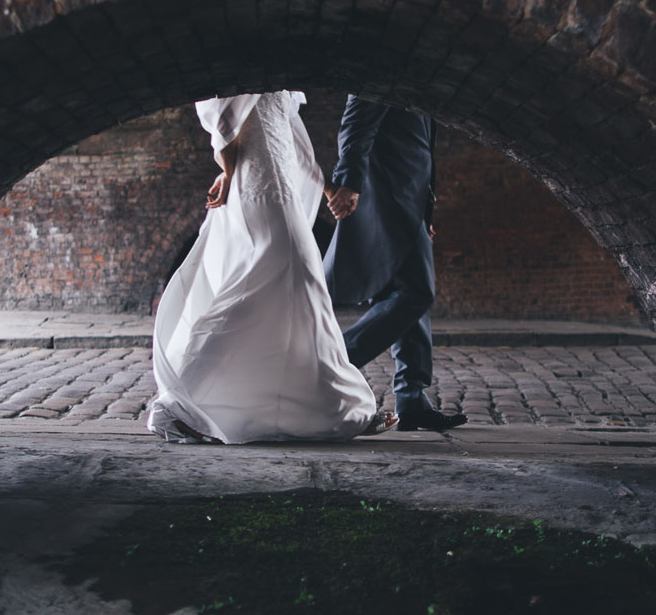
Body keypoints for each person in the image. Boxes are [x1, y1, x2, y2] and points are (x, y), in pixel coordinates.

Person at [147, 92, 395, 444]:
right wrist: (228, 171)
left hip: (282, 185)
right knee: (276, 282)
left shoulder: (276, 69)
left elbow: (292, 135)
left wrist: (326, 188)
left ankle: (336, 409)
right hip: (257, 183)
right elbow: (222, 116)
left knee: (291, 289)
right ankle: (177, 405)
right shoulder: (244, 57)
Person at [322, 95, 468, 432]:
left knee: (406, 292)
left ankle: (412, 397)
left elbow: (422, 147)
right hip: (387, 198)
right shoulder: (383, 60)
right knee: (416, 292)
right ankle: (331, 362)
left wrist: (424, 212)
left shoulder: (417, 72)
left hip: (409, 200)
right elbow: (356, 123)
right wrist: (349, 181)